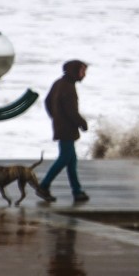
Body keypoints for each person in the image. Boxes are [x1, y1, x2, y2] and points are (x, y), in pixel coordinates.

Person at [37, 60, 90, 203]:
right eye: (82, 71)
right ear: (75, 71)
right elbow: (72, 112)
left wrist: (55, 117)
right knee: (64, 158)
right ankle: (44, 185)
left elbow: (47, 101)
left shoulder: (59, 83)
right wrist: (82, 123)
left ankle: (77, 191)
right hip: (66, 130)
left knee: (71, 161)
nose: (84, 75)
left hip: (61, 127)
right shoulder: (68, 88)